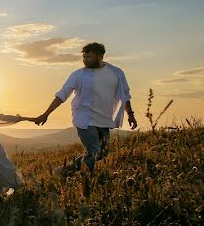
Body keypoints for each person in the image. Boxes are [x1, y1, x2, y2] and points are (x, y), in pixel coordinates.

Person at [35, 42, 137, 175]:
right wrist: (46, 114)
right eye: (84, 57)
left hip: (104, 118)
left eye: (89, 57)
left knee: (102, 152)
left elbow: (124, 95)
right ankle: (86, 180)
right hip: (84, 118)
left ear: (100, 56)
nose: (85, 60)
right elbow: (62, 95)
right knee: (94, 150)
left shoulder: (116, 73)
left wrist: (130, 114)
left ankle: (64, 171)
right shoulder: (78, 75)